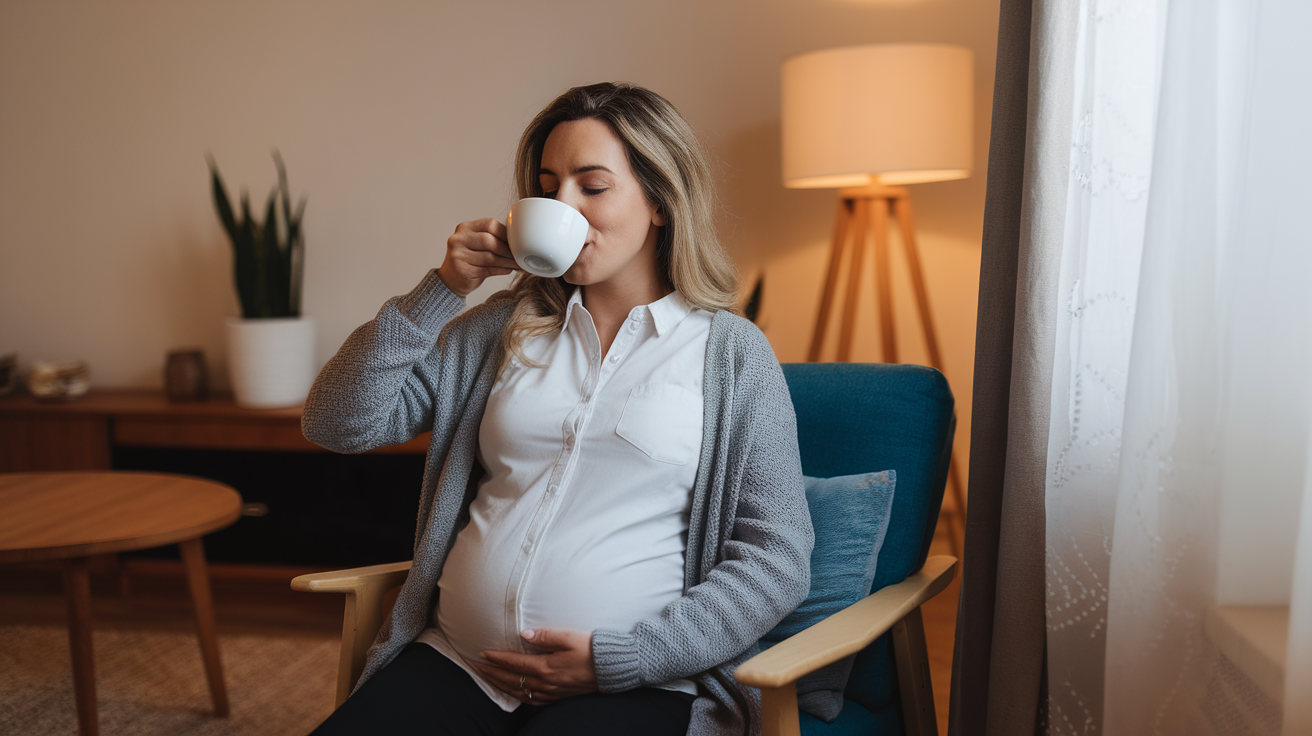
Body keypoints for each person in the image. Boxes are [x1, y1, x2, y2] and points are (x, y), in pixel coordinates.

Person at [302, 82, 813, 736]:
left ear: (660, 201)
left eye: (591, 186)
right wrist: (441, 290)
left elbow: (775, 556)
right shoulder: (495, 332)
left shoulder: (732, 354)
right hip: (460, 662)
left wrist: (618, 661)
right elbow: (337, 422)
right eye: (548, 187)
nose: (562, 205)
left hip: (635, 683)